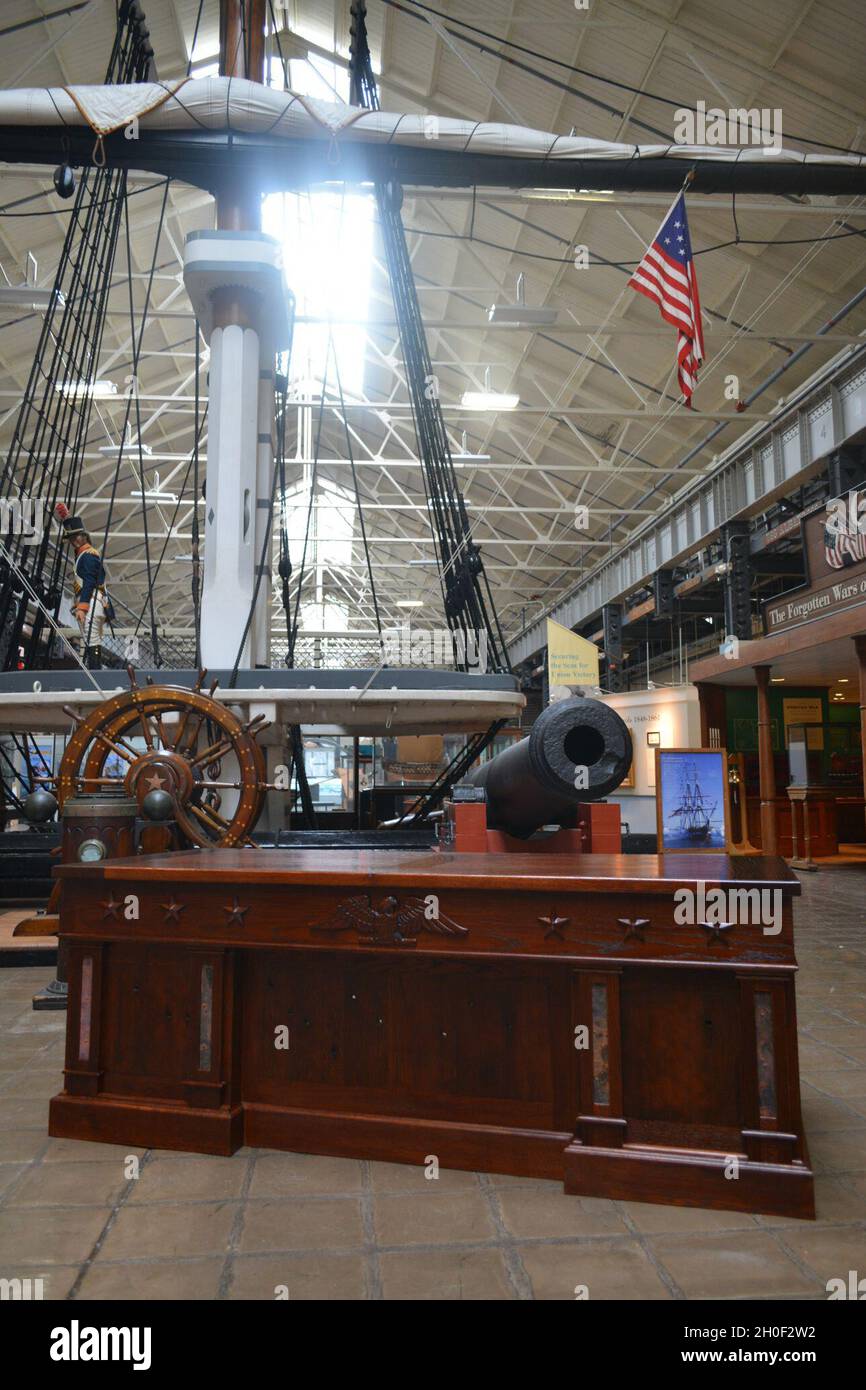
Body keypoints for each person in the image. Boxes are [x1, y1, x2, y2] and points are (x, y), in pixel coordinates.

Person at [54, 504, 113, 668]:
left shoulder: (88, 556)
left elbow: (89, 582)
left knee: (91, 640)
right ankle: (92, 669)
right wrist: (67, 518)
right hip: (93, 601)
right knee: (90, 640)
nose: (73, 541)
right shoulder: (84, 555)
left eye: (75, 537)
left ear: (83, 537)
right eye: (71, 538)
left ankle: (94, 671)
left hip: (92, 602)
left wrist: (82, 606)